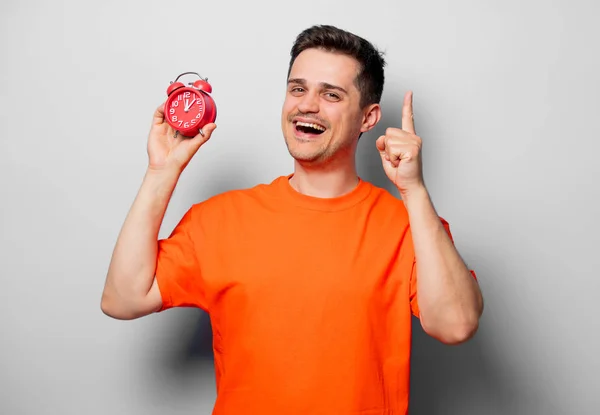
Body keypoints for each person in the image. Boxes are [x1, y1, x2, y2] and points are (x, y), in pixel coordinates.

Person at [101, 24, 483, 415]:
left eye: (331, 94)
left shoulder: (408, 225)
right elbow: (123, 298)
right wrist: (161, 172)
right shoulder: (220, 219)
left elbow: (455, 325)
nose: (307, 105)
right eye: (297, 89)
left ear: (368, 118)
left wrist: (414, 190)